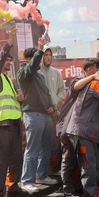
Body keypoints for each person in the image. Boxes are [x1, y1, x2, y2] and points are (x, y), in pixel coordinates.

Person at [56, 59, 99, 197]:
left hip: (91, 133)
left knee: (96, 165)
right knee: (89, 167)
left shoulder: (98, 83)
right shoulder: (94, 83)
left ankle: (97, 195)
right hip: (84, 132)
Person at [0, 27, 29, 197]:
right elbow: (0, 60)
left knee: (16, 158)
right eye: (7, 59)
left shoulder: (8, 79)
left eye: (10, 59)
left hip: (14, 125)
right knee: (1, 161)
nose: (9, 62)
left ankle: (13, 186)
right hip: (1, 126)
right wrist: (9, 43)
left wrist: (20, 100)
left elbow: (14, 103)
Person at [17, 37, 57, 195]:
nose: (40, 61)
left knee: (47, 147)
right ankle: (26, 181)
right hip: (32, 115)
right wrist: (40, 50)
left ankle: (41, 175)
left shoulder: (39, 76)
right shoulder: (24, 73)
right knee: (32, 149)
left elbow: (47, 93)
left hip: (45, 116)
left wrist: (52, 106)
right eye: (38, 58)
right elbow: (32, 67)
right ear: (29, 59)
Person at [58, 58, 98, 197]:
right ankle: (68, 190)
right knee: (68, 159)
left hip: (78, 128)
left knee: (78, 159)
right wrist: (92, 77)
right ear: (90, 70)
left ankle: (78, 187)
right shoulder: (79, 80)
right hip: (66, 125)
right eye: (97, 68)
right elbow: (75, 87)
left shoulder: (94, 82)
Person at [39, 45, 66, 176]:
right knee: (42, 142)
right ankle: (42, 170)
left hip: (54, 113)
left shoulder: (56, 72)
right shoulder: (36, 72)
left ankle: (56, 168)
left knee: (56, 141)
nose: (48, 57)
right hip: (40, 113)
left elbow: (62, 90)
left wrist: (54, 101)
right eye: (45, 55)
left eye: (50, 55)